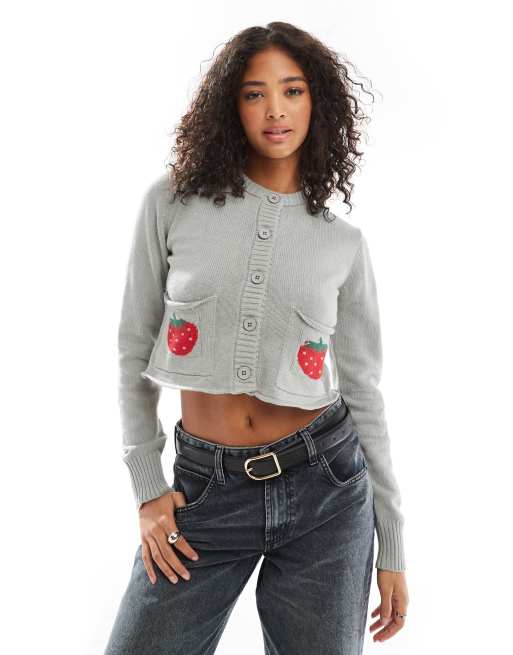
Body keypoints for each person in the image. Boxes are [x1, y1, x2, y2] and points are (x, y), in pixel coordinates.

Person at [104, 21, 409, 655]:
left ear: (317, 104)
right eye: (254, 93)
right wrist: (147, 488)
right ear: (230, 106)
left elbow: (363, 391)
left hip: (328, 491)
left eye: (292, 91)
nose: (275, 110)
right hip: (203, 493)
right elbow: (134, 348)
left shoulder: (342, 244)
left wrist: (393, 543)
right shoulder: (172, 203)